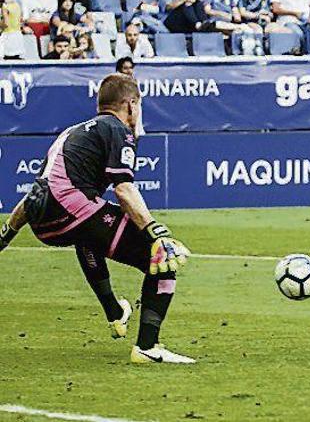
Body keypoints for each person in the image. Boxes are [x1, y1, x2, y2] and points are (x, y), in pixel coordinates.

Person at [0, 74, 195, 364]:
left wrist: (5, 235)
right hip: (73, 209)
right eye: (138, 105)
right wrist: (157, 232)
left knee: (88, 234)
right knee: (162, 259)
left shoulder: (71, 133)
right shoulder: (118, 130)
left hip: (42, 221)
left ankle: (115, 312)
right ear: (130, 105)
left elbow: (36, 194)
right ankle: (147, 347)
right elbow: (124, 190)